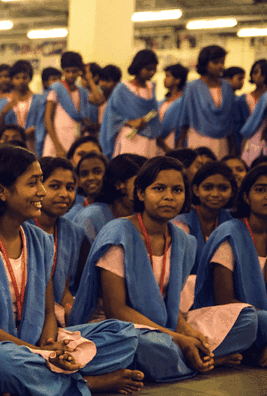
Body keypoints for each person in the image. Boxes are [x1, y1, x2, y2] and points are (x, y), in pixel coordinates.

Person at [0, 144, 146, 396]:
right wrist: (33, 350)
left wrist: (50, 345)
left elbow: (48, 310)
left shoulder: (38, 240)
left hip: (30, 341)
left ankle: (41, 380)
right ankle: (89, 383)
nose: (42, 191)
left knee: (123, 335)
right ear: (0, 191)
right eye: (33, 183)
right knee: (14, 363)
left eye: (41, 182)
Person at [69, 156, 258, 382]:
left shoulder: (182, 239)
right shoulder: (119, 233)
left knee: (248, 319)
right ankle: (205, 359)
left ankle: (190, 356)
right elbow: (116, 310)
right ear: (141, 193)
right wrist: (179, 339)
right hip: (118, 329)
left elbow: (170, 305)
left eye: (177, 190)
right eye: (159, 188)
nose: (169, 196)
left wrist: (188, 333)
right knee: (149, 345)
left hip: (164, 326)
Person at [194, 164, 267, 367]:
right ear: (245, 197)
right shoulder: (230, 233)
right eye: (260, 190)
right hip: (234, 319)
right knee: (254, 319)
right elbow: (224, 301)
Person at [28, 157, 91, 327]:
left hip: (58, 314)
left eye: (70, 188)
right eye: (54, 186)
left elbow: (66, 292)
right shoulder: (21, 227)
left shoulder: (74, 232)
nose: (64, 194)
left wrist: (71, 309)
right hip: (25, 313)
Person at [172, 162, 236, 275]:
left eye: (223, 188)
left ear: (232, 192)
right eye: (208, 187)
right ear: (196, 190)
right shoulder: (180, 223)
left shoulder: (234, 224)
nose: (215, 194)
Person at [99, 50, 162, 159]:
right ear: (138, 67)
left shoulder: (151, 88)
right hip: (130, 138)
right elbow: (111, 115)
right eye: (148, 69)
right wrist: (131, 122)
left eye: (154, 69)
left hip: (150, 139)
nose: (151, 73)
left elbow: (154, 116)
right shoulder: (123, 88)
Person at [177, 45, 237, 159]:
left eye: (222, 62)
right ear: (205, 63)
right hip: (199, 137)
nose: (220, 66)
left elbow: (230, 119)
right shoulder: (192, 87)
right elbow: (184, 119)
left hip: (222, 140)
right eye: (215, 62)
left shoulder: (227, 86)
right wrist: (180, 149)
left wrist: (233, 147)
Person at [44, 52, 104, 158]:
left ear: (80, 72)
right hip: (57, 140)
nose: (71, 75)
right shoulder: (57, 89)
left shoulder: (82, 92)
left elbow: (99, 100)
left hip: (75, 138)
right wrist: (57, 146)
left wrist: (89, 78)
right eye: (67, 71)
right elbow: (48, 119)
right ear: (63, 71)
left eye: (74, 71)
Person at [73, 155, 141, 243]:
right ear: (119, 185)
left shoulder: (140, 215)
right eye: (138, 183)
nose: (144, 189)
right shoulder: (90, 217)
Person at [0, 60, 46, 152]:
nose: (21, 81)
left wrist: (36, 129)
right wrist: (4, 112)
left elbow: (44, 122)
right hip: (11, 147)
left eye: (24, 77)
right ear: (12, 80)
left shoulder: (39, 100)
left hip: (33, 145)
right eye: (17, 78)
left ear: (30, 78)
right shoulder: (4, 101)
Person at [65, 152, 108, 221]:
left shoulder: (118, 210)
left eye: (97, 172)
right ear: (78, 180)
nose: (90, 178)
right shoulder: (71, 217)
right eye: (84, 174)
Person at [239, 59, 267, 165]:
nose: (254, 75)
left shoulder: (265, 97)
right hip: (251, 138)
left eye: (257, 72)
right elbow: (244, 127)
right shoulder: (243, 98)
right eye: (253, 72)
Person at [157, 64, 188, 155]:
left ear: (177, 80)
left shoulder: (183, 101)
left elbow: (183, 127)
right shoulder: (161, 102)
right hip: (159, 142)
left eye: (168, 76)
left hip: (173, 142)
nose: (164, 79)